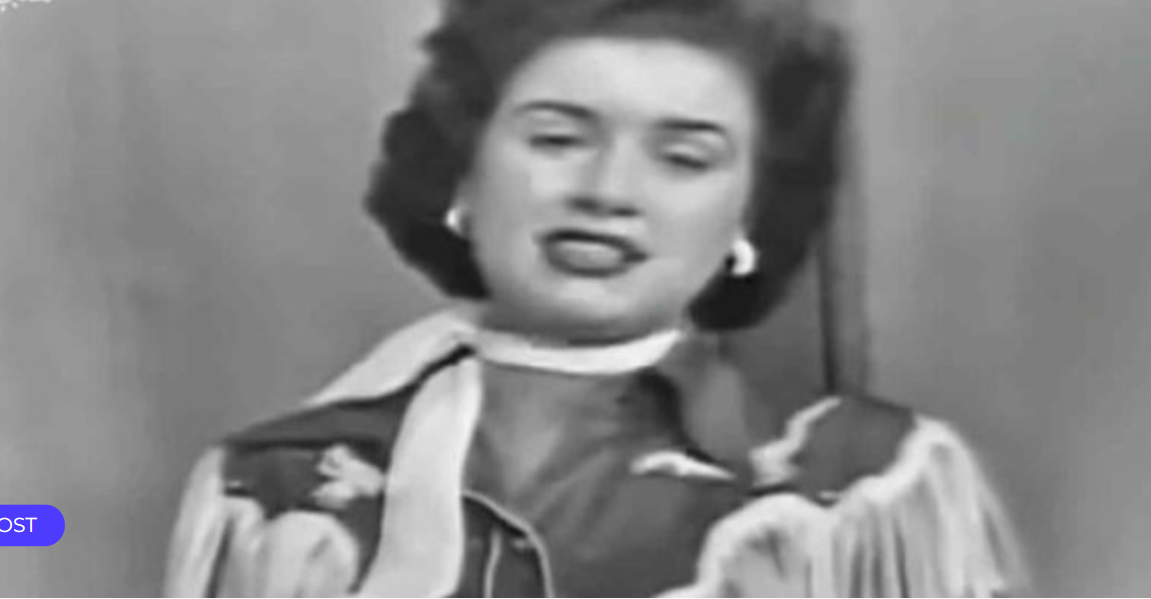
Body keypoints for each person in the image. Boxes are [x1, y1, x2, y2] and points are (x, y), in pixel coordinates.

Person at [164, 0, 1025, 596]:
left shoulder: (861, 490)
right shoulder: (273, 490)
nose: (609, 190)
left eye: (684, 158)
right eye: (557, 138)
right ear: (462, 172)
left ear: (750, 214)